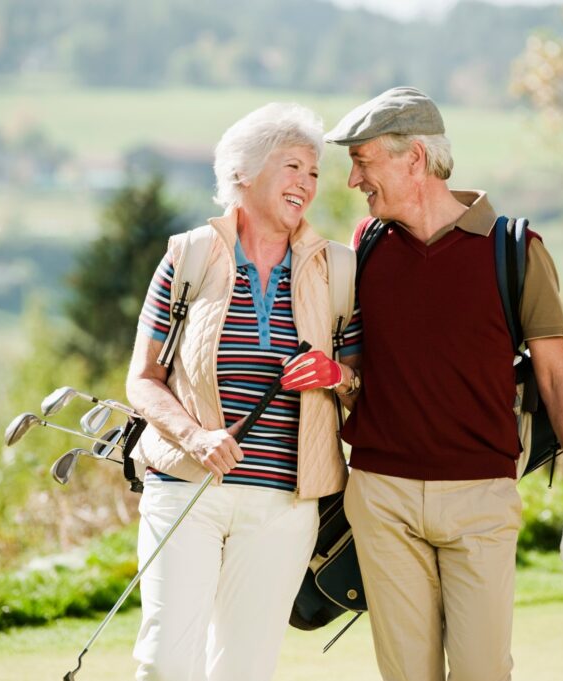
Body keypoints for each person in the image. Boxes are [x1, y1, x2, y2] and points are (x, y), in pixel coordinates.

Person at [324, 87, 563, 681]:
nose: (353, 180)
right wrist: (340, 381)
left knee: (484, 672)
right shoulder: (368, 247)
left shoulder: (515, 250)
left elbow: (558, 379)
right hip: (382, 496)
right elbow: (358, 371)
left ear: (414, 159)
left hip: (480, 499)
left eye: (362, 161)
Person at [125, 102, 362, 681]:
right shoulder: (188, 256)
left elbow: (364, 384)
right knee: (164, 662)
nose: (306, 183)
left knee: (244, 669)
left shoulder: (338, 269)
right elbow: (143, 379)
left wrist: (336, 376)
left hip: (284, 505)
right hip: (186, 487)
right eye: (291, 167)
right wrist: (194, 436)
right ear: (242, 174)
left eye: (312, 171)